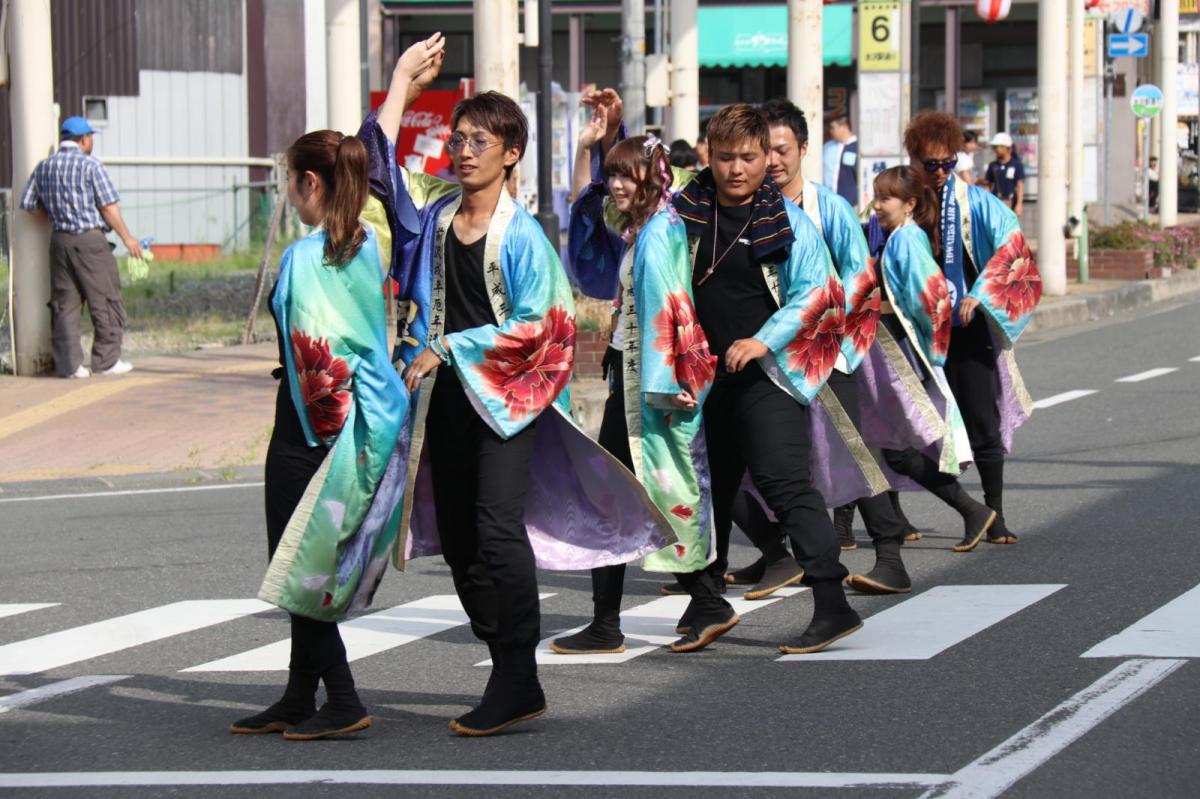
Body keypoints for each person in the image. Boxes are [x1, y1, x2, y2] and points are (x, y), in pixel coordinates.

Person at [362, 50, 675, 736]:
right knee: (465, 539)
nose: (463, 150)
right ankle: (501, 643)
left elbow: (549, 325)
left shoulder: (525, 237)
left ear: (512, 154)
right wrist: (403, 87)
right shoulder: (435, 214)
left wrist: (453, 345)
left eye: (480, 141)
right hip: (443, 402)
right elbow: (376, 169)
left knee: (498, 528)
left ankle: (518, 676)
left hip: (507, 401)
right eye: (458, 138)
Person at [231, 38, 443, 741]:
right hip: (371, 418)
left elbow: (313, 357)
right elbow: (369, 152)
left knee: (301, 564)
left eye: (292, 180)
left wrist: (321, 447)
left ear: (310, 186)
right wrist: (399, 84)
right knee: (307, 562)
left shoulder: (307, 258)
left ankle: (342, 697)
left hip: (321, 431)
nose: (289, 192)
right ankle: (298, 694)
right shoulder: (372, 235)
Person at [717, 97, 914, 596]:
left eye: (782, 149)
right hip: (764, 359)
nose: (775, 161)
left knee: (851, 450)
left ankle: (889, 553)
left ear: (803, 149)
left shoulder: (830, 209)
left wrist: (812, 326)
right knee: (761, 464)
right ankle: (775, 555)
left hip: (825, 350)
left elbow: (857, 276)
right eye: (768, 151)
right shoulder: (746, 209)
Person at [560, 107, 731, 654]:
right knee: (634, 494)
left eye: (626, 175)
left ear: (653, 179)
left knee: (621, 495)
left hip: (648, 384)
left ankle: (687, 604)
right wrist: (593, 144)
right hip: (641, 377)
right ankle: (691, 601)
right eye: (613, 174)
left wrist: (661, 384)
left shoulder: (657, 235)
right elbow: (587, 218)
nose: (615, 185)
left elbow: (666, 310)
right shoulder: (655, 225)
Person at [903, 111, 1041, 547]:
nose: (941, 173)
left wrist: (980, 294)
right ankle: (885, 520)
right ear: (914, 159)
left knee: (982, 420)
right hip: (915, 329)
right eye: (931, 164)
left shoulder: (978, 203)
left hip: (965, 326)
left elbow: (1012, 248)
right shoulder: (902, 200)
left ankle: (993, 512)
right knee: (898, 425)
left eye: (949, 163)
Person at [19, 116, 144, 378]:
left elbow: (29, 205)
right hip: (90, 242)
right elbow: (108, 207)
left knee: (65, 304)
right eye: (91, 138)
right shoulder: (91, 166)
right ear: (84, 139)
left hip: (60, 242)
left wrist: (55, 215)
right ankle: (107, 361)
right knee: (106, 299)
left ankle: (70, 366)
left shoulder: (44, 167)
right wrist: (128, 238)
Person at [981, 132, 1025, 218]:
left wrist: (1019, 204)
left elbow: (1020, 185)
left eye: (1000, 146)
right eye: (995, 147)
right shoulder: (993, 165)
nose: (997, 149)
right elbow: (988, 186)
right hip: (996, 203)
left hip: (1011, 202)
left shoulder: (1016, 165)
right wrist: (985, 203)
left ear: (1008, 148)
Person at [827, 115, 859, 209]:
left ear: (844, 126)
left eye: (833, 127)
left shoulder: (857, 148)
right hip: (831, 203)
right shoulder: (828, 147)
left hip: (851, 204)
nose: (830, 131)